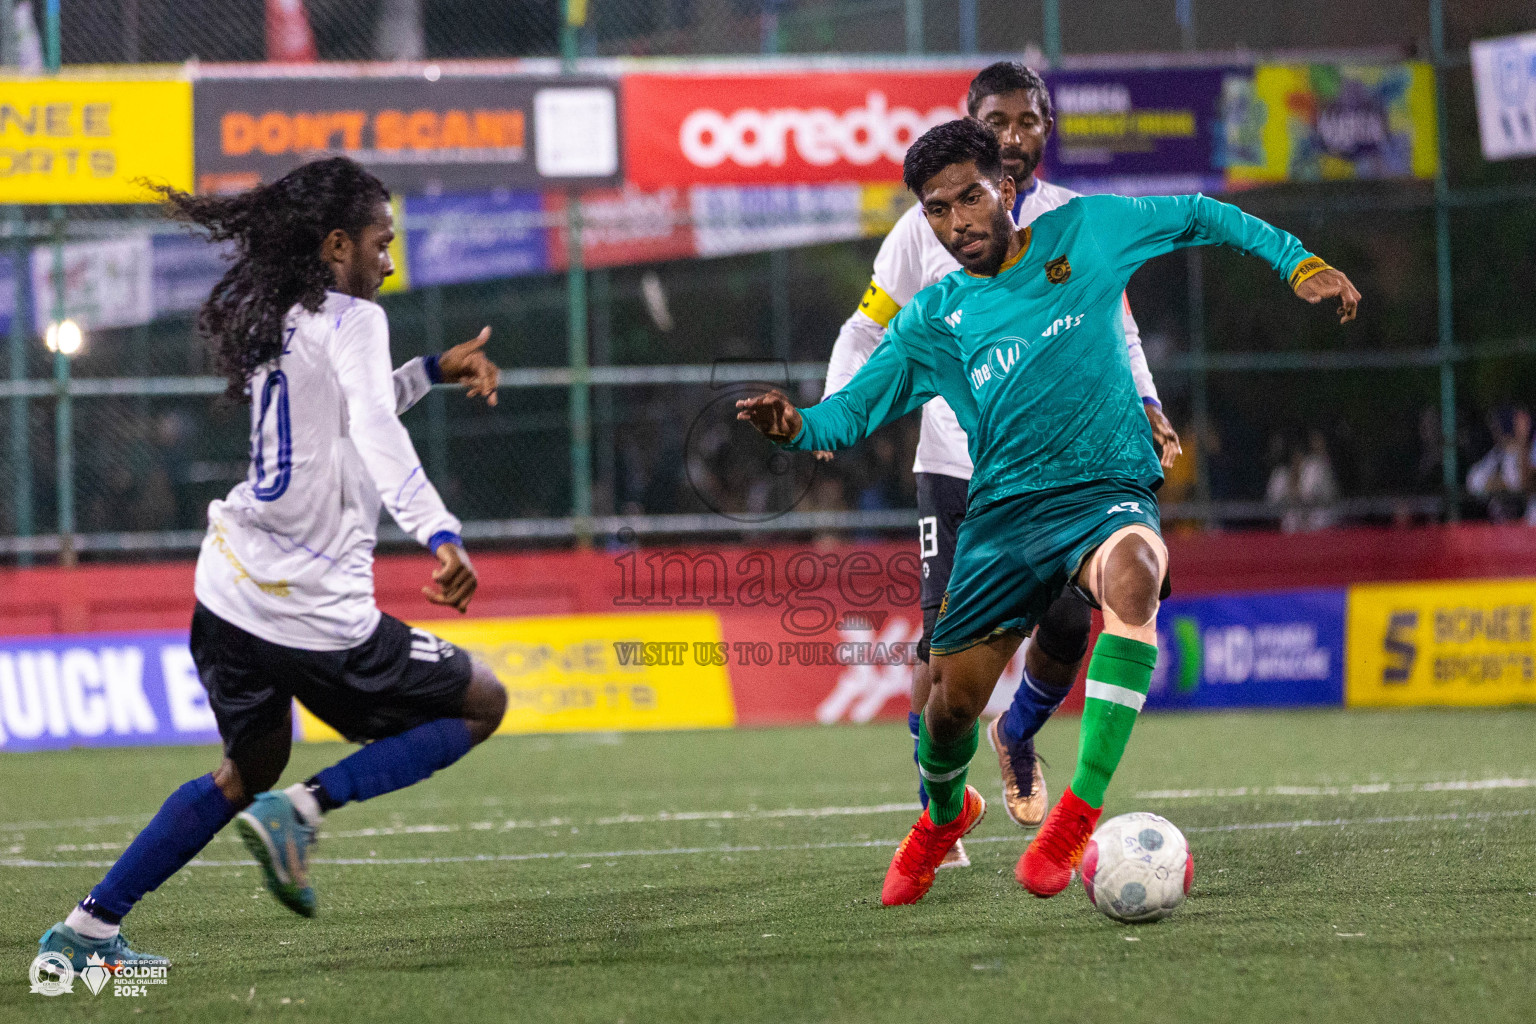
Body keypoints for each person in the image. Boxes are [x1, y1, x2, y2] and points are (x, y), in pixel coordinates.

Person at [737, 119, 1359, 905]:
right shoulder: (935, 318)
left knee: (1134, 578)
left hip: (1105, 495)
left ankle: (1073, 819)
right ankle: (943, 815)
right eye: (937, 209)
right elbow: (852, 415)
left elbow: (1203, 212)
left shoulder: (1087, 230)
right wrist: (794, 429)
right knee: (948, 709)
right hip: (1002, 521)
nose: (958, 221)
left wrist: (1297, 261)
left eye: (970, 196)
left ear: (1004, 186)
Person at [37, 157, 509, 968]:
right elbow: (369, 425)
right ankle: (308, 809)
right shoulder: (356, 320)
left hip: (227, 590)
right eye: (379, 242)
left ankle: (85, 932)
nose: (389, 260)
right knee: (481, 702)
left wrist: (432, 370)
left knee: (245, 768)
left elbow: (341, 409)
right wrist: (438, 531)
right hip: (315, 612)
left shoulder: (279, 313)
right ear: (336, 245)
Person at [818, 62, 1181, 865]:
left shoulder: (1074, 224)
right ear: (973, 126)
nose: (1014, 136)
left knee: (1064, 626)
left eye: (1028, 120)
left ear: (1046, 128)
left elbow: (1119, 333)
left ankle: (1017, 733)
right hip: (955, 468)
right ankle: (940, 812)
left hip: (1067, 472)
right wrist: (838, 413)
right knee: (941, 652)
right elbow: (863, 330)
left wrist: (1148, 403)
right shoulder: (924, 227)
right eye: (997, 121)